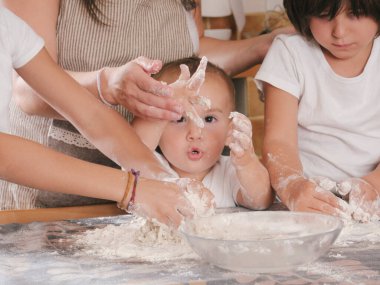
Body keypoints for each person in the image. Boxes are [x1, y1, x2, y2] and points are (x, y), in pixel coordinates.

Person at [0, 0, 293, 209]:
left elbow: (89, 114)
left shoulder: (10, 30)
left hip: (140, 181)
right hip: (52, 194)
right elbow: (26, 92)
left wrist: (155, 178)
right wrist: (107, 84)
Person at [0, 6, 213, 227]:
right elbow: (4, 156)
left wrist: (162, 177)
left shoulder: (9, 26)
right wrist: (133, 188)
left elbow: (88, 113)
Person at [255, 0, 380, 221]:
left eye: (356, 14)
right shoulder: (290, 53)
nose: (339, 32)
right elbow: (279, 142)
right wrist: (292, 185)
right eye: (323, 15)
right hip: (307, 202)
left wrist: (373, 185)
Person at [133, 57, 273, 210]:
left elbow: (260, 201)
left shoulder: (230, 172)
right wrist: (161, 107)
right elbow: (132, 149)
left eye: (209, 119)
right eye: (179, 119)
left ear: (230, 129)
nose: (195, 133)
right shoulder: (150, 169)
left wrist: (246, 161)